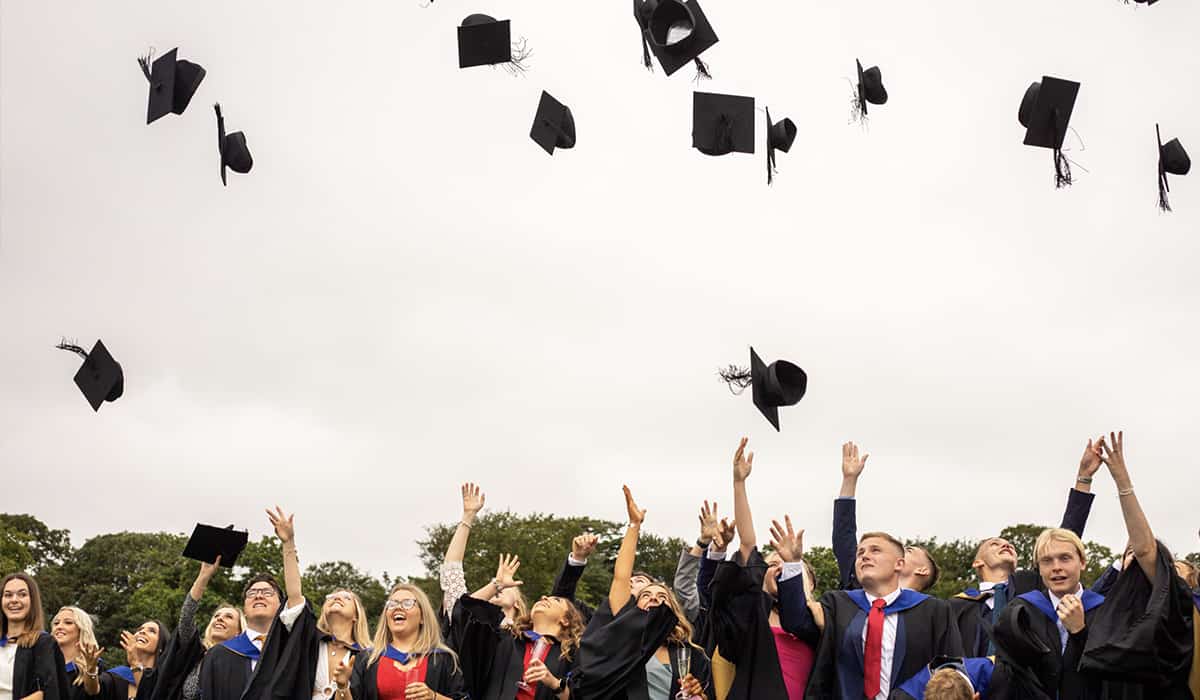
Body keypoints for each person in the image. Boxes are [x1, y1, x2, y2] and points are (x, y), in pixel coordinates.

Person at [945, 438, 1101, 656]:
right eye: (994, 544)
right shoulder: (955, 606)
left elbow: (1067, 537)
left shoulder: (1032, 586)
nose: (1005, 544)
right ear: (977, 562)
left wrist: (1084, 478)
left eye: (1009, 544)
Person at [1075, 432, 1194, 698]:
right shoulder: (1102, 609)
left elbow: (1144, 548)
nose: (1135, 557)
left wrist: (1122, 481)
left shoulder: (1176, 608)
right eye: (1127, 554)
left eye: (1139, 557)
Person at [705, 438, 818, 699]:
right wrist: (739, 484)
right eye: (771, 564)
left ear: (809, 581)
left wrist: (793, 564)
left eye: (788, 566)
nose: (778, 568)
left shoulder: (822, 618)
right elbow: (747, 544)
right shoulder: (754, 613)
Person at [575, 486, 710, 700]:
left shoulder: (691, 655)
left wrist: (698, 694)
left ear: (673, 613)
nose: (654, 598)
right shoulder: (623, 636)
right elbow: (621, 576)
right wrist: (634, 525)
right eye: (646, 595)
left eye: (662, 597)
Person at [803, 527, 964, 700]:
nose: (864, 556)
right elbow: (795, 625)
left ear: (899, 564)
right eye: (860, 553)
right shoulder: (838, 605)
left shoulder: (935, 611)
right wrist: (792, 565)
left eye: (875, 550)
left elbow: (951, 669)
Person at [251, 509, 373, 700]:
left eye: (346, 597)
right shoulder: (310, 640)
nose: (337, 598)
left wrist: (343, 687)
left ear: (356, 615)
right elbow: (295, 595)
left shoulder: (369, 657)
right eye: (331, 596)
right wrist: (288, 543)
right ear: (324, 610)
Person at [448, 548, 585, 699]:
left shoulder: (573, 655)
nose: (545, 597)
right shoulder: (504, 640)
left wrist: (553, 683)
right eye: (543, 597)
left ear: (565, 620)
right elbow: (464, 613)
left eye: (556, 600)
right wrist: (496, 585)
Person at [199, 507, 305, 700]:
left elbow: (296, 597)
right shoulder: (219, 655)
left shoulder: (290, 649)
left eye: (267, 593)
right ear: (244, 611)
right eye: (252, 593)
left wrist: (288, 543)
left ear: (281, 606)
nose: (258, 596)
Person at [832, 443, 940, 594]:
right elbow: (844, 535)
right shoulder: (858, 587)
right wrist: (849, 480)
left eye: (908, 550)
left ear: (922, 570)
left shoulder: (931, 612)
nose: (898, 551)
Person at [338, 584, 467, 700]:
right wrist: (342, 686)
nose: (398, 608)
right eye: (392, 604)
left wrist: (434, 697)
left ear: (422, 617)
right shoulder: (367, 659)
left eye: (407, 603)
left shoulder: (443, 658)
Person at [149, 557, 243, 700]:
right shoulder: (196, 653)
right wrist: (203, 576)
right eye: (216, 616)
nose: (219, 618)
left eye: (229, 617)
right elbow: (186, 618)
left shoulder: (244, 661)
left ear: (239, 632)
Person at [439, 484, 527, 630]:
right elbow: (451, 572)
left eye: (504, 588)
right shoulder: (468, 627)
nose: (499, 589)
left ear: (517, 603)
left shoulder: (528, 640)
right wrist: (468, 517)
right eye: (497, 588)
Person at [1, 573, 69, 700]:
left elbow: (49, 690)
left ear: (32, 600)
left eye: (22, 594)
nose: (14, 600)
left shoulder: (43, 644)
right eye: (8, 595)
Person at [99, 620, 168, 700]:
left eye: (152, 631)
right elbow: (93, 691)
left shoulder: (165, 682)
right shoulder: (117, 675)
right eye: (139, 630)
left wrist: (135, 663)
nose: (142, 632)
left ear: (161, 646)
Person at [49, 607, 102, 699]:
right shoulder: (44, 664)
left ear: (81, 629)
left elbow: (93, 691)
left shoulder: (95, 664)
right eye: (56, 623)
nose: (59, 627)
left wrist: (90, 671)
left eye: (68, 623)